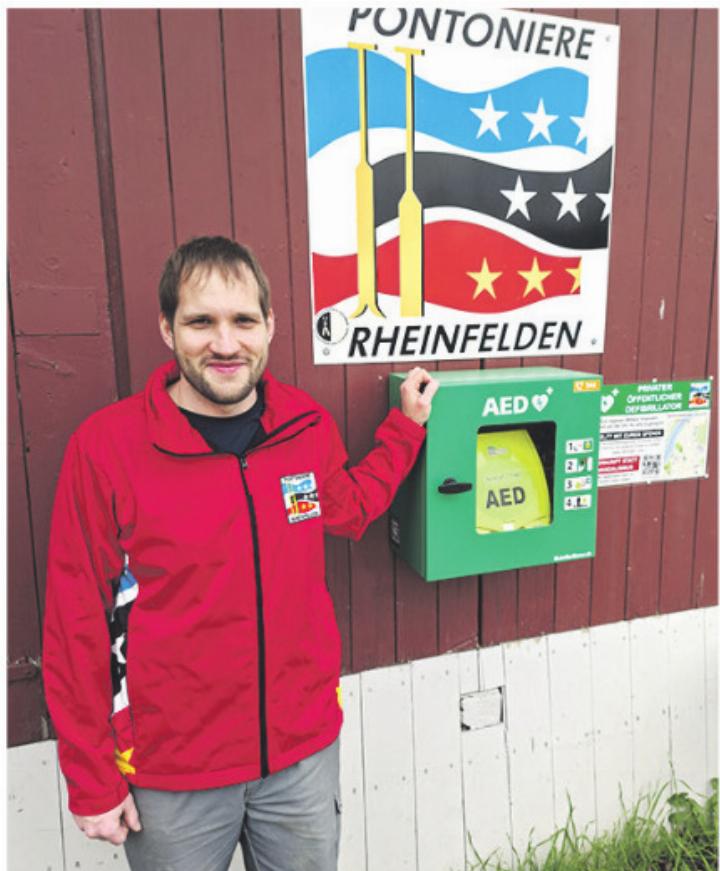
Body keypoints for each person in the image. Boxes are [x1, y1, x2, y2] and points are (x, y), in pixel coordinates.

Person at [42, 236, 438, 871]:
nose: (225, 344)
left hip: (301, 757)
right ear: (167, 329)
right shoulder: (107, 449)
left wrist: (405, 430)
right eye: (202, 321)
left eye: (242, 320)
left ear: (270, 326)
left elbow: (347, 508)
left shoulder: (305, 427)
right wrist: (91, 779)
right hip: (173, 776)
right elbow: (73, 621)